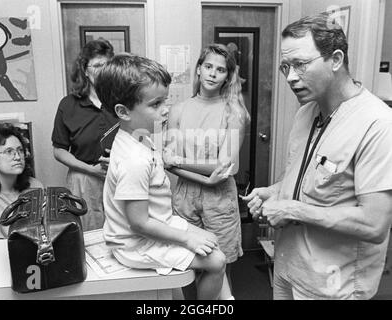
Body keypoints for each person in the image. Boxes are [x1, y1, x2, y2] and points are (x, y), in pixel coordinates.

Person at [243, 12, 392, 300]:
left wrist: (290, 210)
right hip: (288, 267)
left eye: (300, 64)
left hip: (334, 284)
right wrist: (274, 193)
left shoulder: (379, 124)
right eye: (286, 66)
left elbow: (374, 224)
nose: (291, 77)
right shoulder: (306, 112)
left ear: (336, 59)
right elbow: (309, 178)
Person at [95, 53, 227, 300]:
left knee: (212, 239)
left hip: (157, 224)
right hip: (135, 242)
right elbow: (139, 223)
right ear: (123, 112)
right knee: (217, 261)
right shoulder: (134, 159)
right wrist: (187, 239)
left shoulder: (139, 137)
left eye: (165, 101)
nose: (166, 110)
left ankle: (226, 301)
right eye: (156, 104)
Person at [163, 43, 250, 300]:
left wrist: (177, 161)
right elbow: (168, 163)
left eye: (220, 69)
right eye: (208, 66)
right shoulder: (178, 110)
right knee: (187, 266)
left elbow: (223, 168)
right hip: (184, 197)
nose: (213, 73)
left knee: (221, 266)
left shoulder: (234, 112)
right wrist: (182, 166)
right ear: (199, 70)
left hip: (220, 199)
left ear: (228, 76)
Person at [51, 39, 118, 231]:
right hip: (83, 178)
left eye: (107, 65)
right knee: (90, 236)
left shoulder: (123, 101)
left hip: (119, 176)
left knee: (123, 234)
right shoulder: (68, 105)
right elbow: (59, 151)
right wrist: (91, 170)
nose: (102, 70)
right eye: (97, 65)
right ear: (85, 70)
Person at [0, 123, 43, 240]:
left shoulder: (35, 186)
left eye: (20, 150)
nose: (18, 157)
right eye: (9, 151)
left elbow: (47, 231)